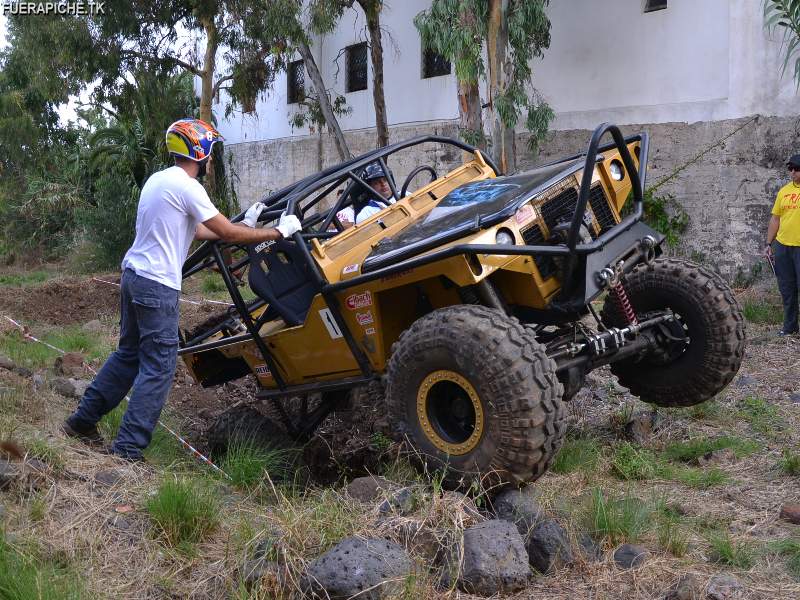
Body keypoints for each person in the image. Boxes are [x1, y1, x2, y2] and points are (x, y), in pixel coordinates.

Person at [61, 118, 302, 461]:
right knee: (159, 366)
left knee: (129, 355)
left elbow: (200, 231)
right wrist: (278, 233)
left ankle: (81, 421)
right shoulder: (189, 187)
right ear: (199, 151)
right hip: (157, 285)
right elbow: (227, 234)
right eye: (210, 153)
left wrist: (244, 224)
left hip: (134, 277)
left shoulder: (158, 182)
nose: (211, 161)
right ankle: (128, 450)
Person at [765, 153, 800, 336]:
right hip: (783, 247)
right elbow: (775, 219)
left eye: (796, 168)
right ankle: (790, 327)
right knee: (787, 290)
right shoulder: (784, 191)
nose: (792, 172)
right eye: (790, 168)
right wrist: (768, 243)